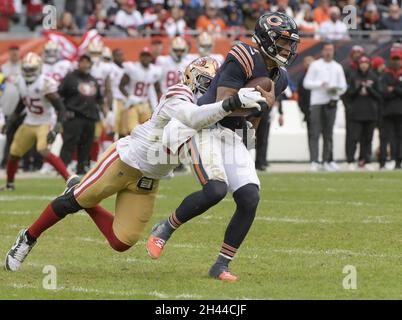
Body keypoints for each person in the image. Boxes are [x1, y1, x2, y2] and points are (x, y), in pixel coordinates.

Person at [4, 57, 266, 272]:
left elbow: (218, 131)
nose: (208, 90)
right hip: (126, 159)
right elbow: (192, 116)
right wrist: (230, 103)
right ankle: (28, 237)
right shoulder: (180, 93)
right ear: (191, 77)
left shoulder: (213, 110)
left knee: (122, 241)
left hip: (149, 178)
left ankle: (79, 191)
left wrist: (247, 118)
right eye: (205, 83)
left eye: (213, 85)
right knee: (71, 203)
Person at [147, 12, 299, 281]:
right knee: (216, 189)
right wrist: (255, 102)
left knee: (249, 197)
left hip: (232, 133)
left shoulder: (281, 77)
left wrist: (251, 131)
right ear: (265, 38)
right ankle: (165, 228)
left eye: (290, 42)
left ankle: (221, 265)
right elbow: (223, 101)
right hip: (205, 126)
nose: (288, 48)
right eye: (283, 41)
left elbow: (256, 116)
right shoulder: (243, 55)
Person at [0, 53, 71, 191]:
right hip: (29, 121)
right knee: (14, 152)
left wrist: (56, 128)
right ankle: (10, 184)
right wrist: (11, 120)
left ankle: (70, 179)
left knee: (43, 150)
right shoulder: (20, 80)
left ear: (38, 68)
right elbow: (23, 101)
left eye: (31, 69)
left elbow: (61, 108)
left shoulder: (44, 83)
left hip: (44, 121)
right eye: (26, 69)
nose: (28, 72)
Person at [303, 41, 347, 172]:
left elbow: (343, 86)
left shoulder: (338, 67)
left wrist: (336, 90)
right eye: (326, 50)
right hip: (317, 102)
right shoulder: (315, 65)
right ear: (322, 51)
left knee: (329, 133)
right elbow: (307, 83)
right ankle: (314, 161)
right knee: (315, 133)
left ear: (333, 51)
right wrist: (320, 84)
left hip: (331, 101)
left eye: (331, 50)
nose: (328, 52)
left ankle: (327, 160)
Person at [58, 54, 103, 175]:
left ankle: (82, 167)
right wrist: (63, 110)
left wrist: (102, 111)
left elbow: (99, 98)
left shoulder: (93, 79)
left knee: (86, 144)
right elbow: (60, 94)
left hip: (90, 117)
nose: (85, 64)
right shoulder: (70, 77)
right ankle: (62, 168)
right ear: (78, 63)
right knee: (69, 142)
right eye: (82, 61)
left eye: (87, 62)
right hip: (74, 116)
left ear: (90, 64)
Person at [345, 55, 381, 170]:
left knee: (368, 139)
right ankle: (351, 160)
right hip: (356, 112)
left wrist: (369, 89)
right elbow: (349, 95)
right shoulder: (353, 76)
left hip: (370, 112)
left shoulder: (373, 77)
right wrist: (359, 88)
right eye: (362, 63)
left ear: (369, 64)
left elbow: (379, 96)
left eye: (366, 63)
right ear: (359, 64)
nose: (364, 65)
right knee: (354, 138)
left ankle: (366, 160)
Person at [119, 47, 162, 135]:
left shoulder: (154, 71)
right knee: (131, 130)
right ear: (140, 57)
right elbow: (121, 85)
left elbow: (157, 89)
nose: (145, 58)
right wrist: (129, 96)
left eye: (147, 56)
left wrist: (156, 104)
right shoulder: (133, 68)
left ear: (151, 58)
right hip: (133, 104)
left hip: (145, 104)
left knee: (149, 130)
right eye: (143, 56)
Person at [379, 44, 402, 169]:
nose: (396, 61)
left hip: (400, 110)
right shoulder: (385, 74)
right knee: (385, 137)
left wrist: (393, 89)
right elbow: (382, 92)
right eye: (394, 59)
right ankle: (383, 161)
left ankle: (398, 161)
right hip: (387, 110)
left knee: (399, 137)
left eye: (398, 59)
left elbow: (391, 91)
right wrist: (397, 89)